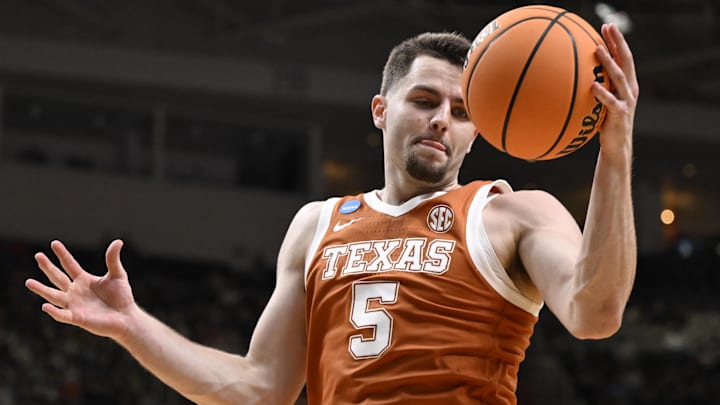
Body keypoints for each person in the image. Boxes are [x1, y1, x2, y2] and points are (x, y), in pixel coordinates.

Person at [25, 23, 638, 405]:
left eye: (460, 109)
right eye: (423, 100)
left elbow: (595, 312)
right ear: (380, 109)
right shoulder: (317, 224)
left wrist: (616, 150)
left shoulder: (513, 213)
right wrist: (134, 326)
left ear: (479, 130)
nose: (440, 120)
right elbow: (258, 389)